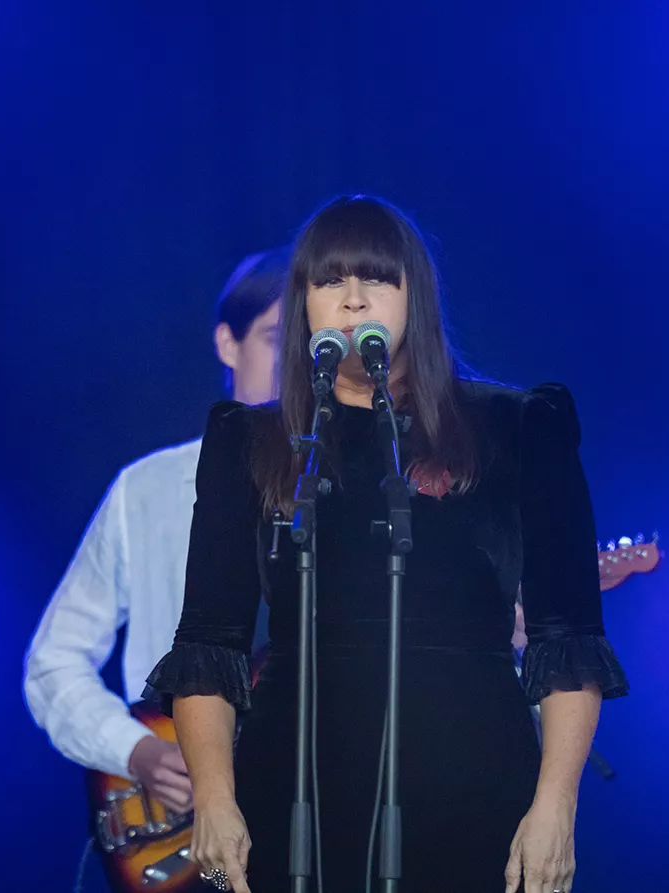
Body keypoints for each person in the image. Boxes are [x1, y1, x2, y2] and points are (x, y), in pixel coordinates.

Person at [143, 195, 629, 893]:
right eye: (329, 280)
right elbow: (208, 646)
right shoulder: (249, 442)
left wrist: (557, 806)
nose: (353, 299)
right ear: (304, 303)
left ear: (415, 296)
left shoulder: (518, 427)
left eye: (376, 278)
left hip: (475, 789)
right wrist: (216, 800)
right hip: (294, 795)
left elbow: (569, 640)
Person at [23, 246, 288, 814]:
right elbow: (55, 662)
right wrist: (137, 750)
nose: (293, 361)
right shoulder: (146, 491)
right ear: (228, 343)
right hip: (189, 834)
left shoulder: (360, 492)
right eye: (275, 338)